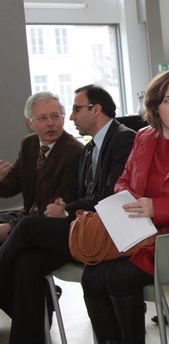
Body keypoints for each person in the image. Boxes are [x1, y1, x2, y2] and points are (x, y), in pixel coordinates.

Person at [81, 70, 169, 343]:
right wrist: (127, 198)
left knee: (120, 277)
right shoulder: (144, 137)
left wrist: (156, 208)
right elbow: (123, 180)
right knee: (92, 276)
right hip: (137, 233)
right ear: (155, 107)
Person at [0, 84, 136, 343]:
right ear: (31, 122)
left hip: (105, 231)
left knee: (26, 228)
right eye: (44, 117)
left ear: (95, 110)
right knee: (27, 262)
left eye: (72, 111)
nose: (70, 117)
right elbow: (77, 192)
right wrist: (66, 206)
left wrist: (66, 210)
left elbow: (112, 194)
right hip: (81, 225)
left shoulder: (122, 138)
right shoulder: (88, 148)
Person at [0, 92, 83, 242]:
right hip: (27, 215)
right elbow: (12, 186)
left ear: (63, 119)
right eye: (43, 118)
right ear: (30, 123)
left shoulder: (74, 152)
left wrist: (11, 227)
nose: (50, 123)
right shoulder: (29, 144)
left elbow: (55, 207)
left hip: (49, 222)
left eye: (55, 116)